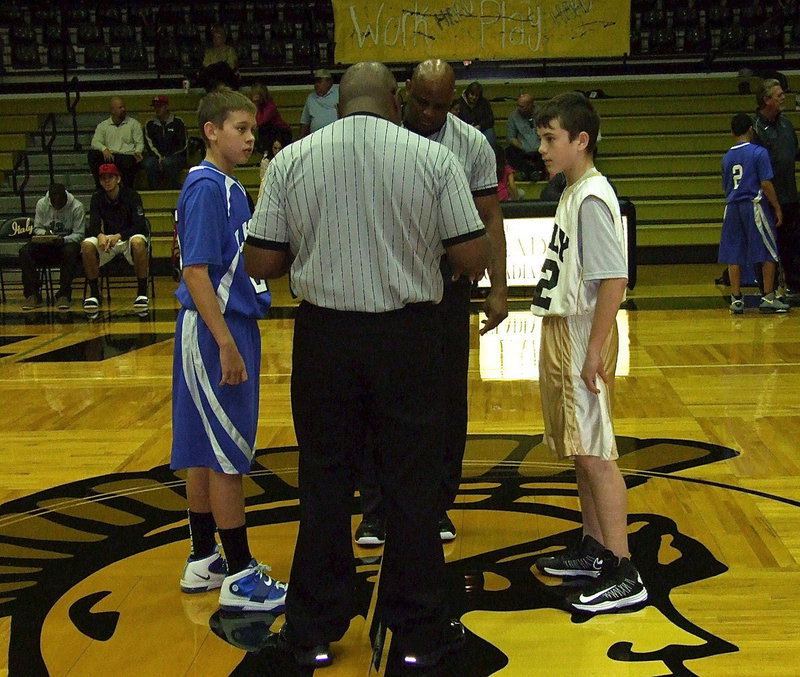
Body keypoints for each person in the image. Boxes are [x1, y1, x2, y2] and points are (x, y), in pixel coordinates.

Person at [244, 62, 490, 670]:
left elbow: (261, 261)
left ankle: (312, 631)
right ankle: (418, 633)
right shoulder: (434, 161)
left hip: (325, 337)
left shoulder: (293, 160)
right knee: (413, 484)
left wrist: (317, 237)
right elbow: (470, 254)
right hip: (409, 336)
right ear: (394, 100)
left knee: (323, 481)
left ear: (341, 101)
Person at [354, 59, 508, 547]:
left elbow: (490, 218)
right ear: (404, 93)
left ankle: (437, 505)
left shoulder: (472, 144)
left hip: (447, 281)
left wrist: (498, 289)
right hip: (386, 277)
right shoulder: (376, 136)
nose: (430, 112)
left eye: (441, 105)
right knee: (378, 397)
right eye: (422, 101)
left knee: (444, 398)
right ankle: (376, 510)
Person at [530, 92, 648, 614]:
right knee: (581, 447)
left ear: (582, 140)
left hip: (583, 332)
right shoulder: (573, 191)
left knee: (598, 452)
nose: (541, 148)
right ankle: (596, 546)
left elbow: (614, 280)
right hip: (567, 329)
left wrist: (595, 348)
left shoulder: (595, 197)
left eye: (550, 138)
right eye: (540, 137)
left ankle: (625, 570)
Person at [171, 87, 288, 614]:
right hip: (217, 329)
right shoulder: (206, 188)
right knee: (226, 455)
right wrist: (225, 344)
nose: (248, 137)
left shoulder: (228, 186)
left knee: (203, 447)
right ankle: (239, 571)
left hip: (215, 327)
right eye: (239, 128)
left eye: (251, 128)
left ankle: (204, 556)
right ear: (211, 131)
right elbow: (194, 271)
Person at [720, 113, 789, 314]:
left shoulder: (727, 157)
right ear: (751, 129)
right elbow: (766, 183)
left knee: (734, 253)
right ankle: (768, 297)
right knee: (769, 249)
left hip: (732, 207)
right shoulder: (759, 153)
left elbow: (726, 186)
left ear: (732, 132)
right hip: (753, 205)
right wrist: (776, 207)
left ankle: (736, 299)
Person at [753, 78, 800, 301]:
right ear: (766, 100)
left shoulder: (787, 124)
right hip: (767, 199)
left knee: (793, 243)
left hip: (790, 195)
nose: (783, 98)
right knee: (768, 248)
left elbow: (793, 153)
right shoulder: (755, 130)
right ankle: (767, 291)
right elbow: (759, 171)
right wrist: (773, 202)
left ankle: (794, 286)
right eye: (778, 95)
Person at [81, 163, 149, 311]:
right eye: (103, 178)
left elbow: (140, 225)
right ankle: (94, 293)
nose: (107, 181)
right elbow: (93, 224)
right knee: (86, 245)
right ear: (99, 181)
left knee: (138, 242)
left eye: (110, 177)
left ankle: (142, 291)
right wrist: (99, 235)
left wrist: (119, 235)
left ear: (118, 179)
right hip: (108, 239)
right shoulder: (97, 198)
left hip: (128, 236)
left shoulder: (132, 195)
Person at [19, 183, 85, 310]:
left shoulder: (77, 207)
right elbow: (37, 228)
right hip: (46, 244)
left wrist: (64, 239)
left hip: (66, 244)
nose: (57, 204)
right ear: (49, 199)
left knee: (71, 251)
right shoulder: (42, 204)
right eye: (54, 202)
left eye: (60, 203)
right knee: (25, 251)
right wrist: (46, 235)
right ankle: (32, 294)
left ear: (65, 198)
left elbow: (79, 234)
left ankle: (64, 294)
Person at [87, 96, 144, 189]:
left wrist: (138, 151)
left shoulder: (134, 124)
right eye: (120, 107)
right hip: (110, 156)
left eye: (124, 107)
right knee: (93, 154)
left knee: (129, 162)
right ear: (112, 110)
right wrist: (104, 149)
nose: (124, 109)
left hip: (127, 155)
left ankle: (127, 190)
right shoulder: (103, 125)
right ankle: (100, 188)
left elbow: (139, 143)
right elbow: (95, 142)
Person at [142, 95, 187, 190]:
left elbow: (183, 144)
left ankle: (176, 190)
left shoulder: (178, 122)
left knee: (168, 163)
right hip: (156, 157)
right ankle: (155, 191)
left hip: (176, 156)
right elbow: (149, 144)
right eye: (155, 107)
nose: (156, 109)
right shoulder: (150, 123)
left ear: (166, 107)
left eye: (159, 106)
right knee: (149, 164)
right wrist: (159, 157)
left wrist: (167, 157)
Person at [506, 93, 545, 181]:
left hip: (540, 148)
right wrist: (523, 147)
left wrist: (539, 146)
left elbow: (547, 133)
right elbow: (510, 137)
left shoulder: (542, 113)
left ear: (531, 105)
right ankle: (527, 173)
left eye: (522, 106)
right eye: (518, 106)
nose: (519, 109)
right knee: (509, 151)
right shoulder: (513, 116)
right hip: (522, 149)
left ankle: (536, 173)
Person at [250, 84, 292, 152]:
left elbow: (260, 121)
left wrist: (255, 105)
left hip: (281, 132)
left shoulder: (270, 105)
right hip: (268, 131)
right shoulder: (257, 105)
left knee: (265, 129)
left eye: (257, 94)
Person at [298, 69, 339, 137]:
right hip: (315, 138)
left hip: (335, 136)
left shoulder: (339, 94)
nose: (316, 84)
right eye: (315, 82)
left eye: (319, 82)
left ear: (329, 82)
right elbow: (305, 122)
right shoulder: (311, 98)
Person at [455, 81, 496, 148]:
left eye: (476, 95)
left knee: (490, 134)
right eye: (472, 94)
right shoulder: (459, 103)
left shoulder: (484, 103)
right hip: (464, 131)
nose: (474, 97)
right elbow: (455, 119)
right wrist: (467, 127)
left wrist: (479, 126)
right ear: (467, 93)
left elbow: (490, 119)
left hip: (481, 130)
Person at [200, 25, 239, 91]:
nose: (216, 39)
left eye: (219, 37)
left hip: (226, 79)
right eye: (214, 37)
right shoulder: (209, 51)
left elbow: (231, 65)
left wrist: (219, 65)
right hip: (212, 79)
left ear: (224, 39)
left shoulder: (230, 50)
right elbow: (206, 64)